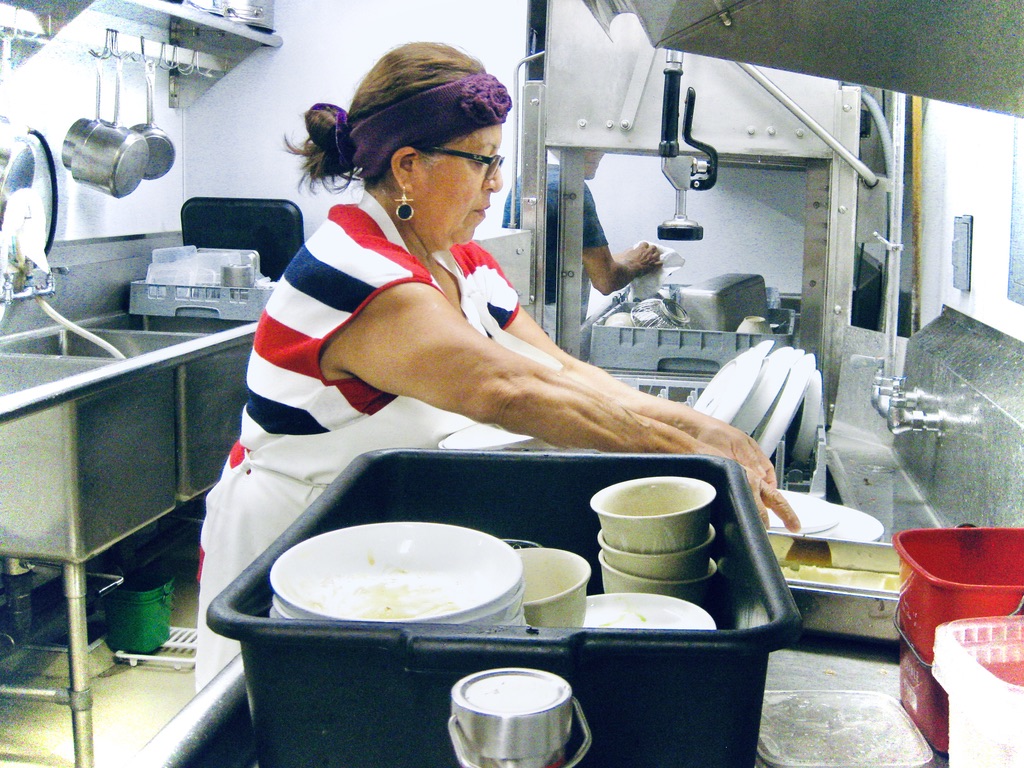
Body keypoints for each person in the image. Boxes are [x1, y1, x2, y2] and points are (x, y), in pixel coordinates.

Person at [194, 41, 799, 688]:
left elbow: (560, 372)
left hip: (374, 545)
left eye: (498, 159)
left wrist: (694, 426)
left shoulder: (461, 262)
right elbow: (507, 388)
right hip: (293, 549)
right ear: (407, 167)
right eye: (482, 161)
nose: (497, 182)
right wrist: (691, 452)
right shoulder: (357, 276)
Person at [502, 150, 663, 318]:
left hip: (522, 315)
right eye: (595, 144)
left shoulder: (529, 180)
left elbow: (562, 260)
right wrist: (637, 264)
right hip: (554, 321)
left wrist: (623, 257)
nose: (601, 153)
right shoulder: (570, 189)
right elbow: (606, 281)